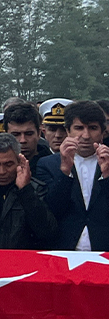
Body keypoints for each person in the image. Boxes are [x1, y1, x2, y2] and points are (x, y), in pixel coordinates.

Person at [36, 100, 109, 251]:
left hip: (103, 249)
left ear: (103, 133)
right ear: (68, 131)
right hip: (64, 249)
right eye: (79, 128)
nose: (86, 135)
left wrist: (106, 177)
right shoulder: (48, 164)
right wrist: (65, 172)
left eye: (93, 128)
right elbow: (50, 211)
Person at [3, 103, 51, 172]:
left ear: (39, 133)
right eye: (16, 135)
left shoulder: (53, 166)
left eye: (29, 134)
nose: (23, 140)